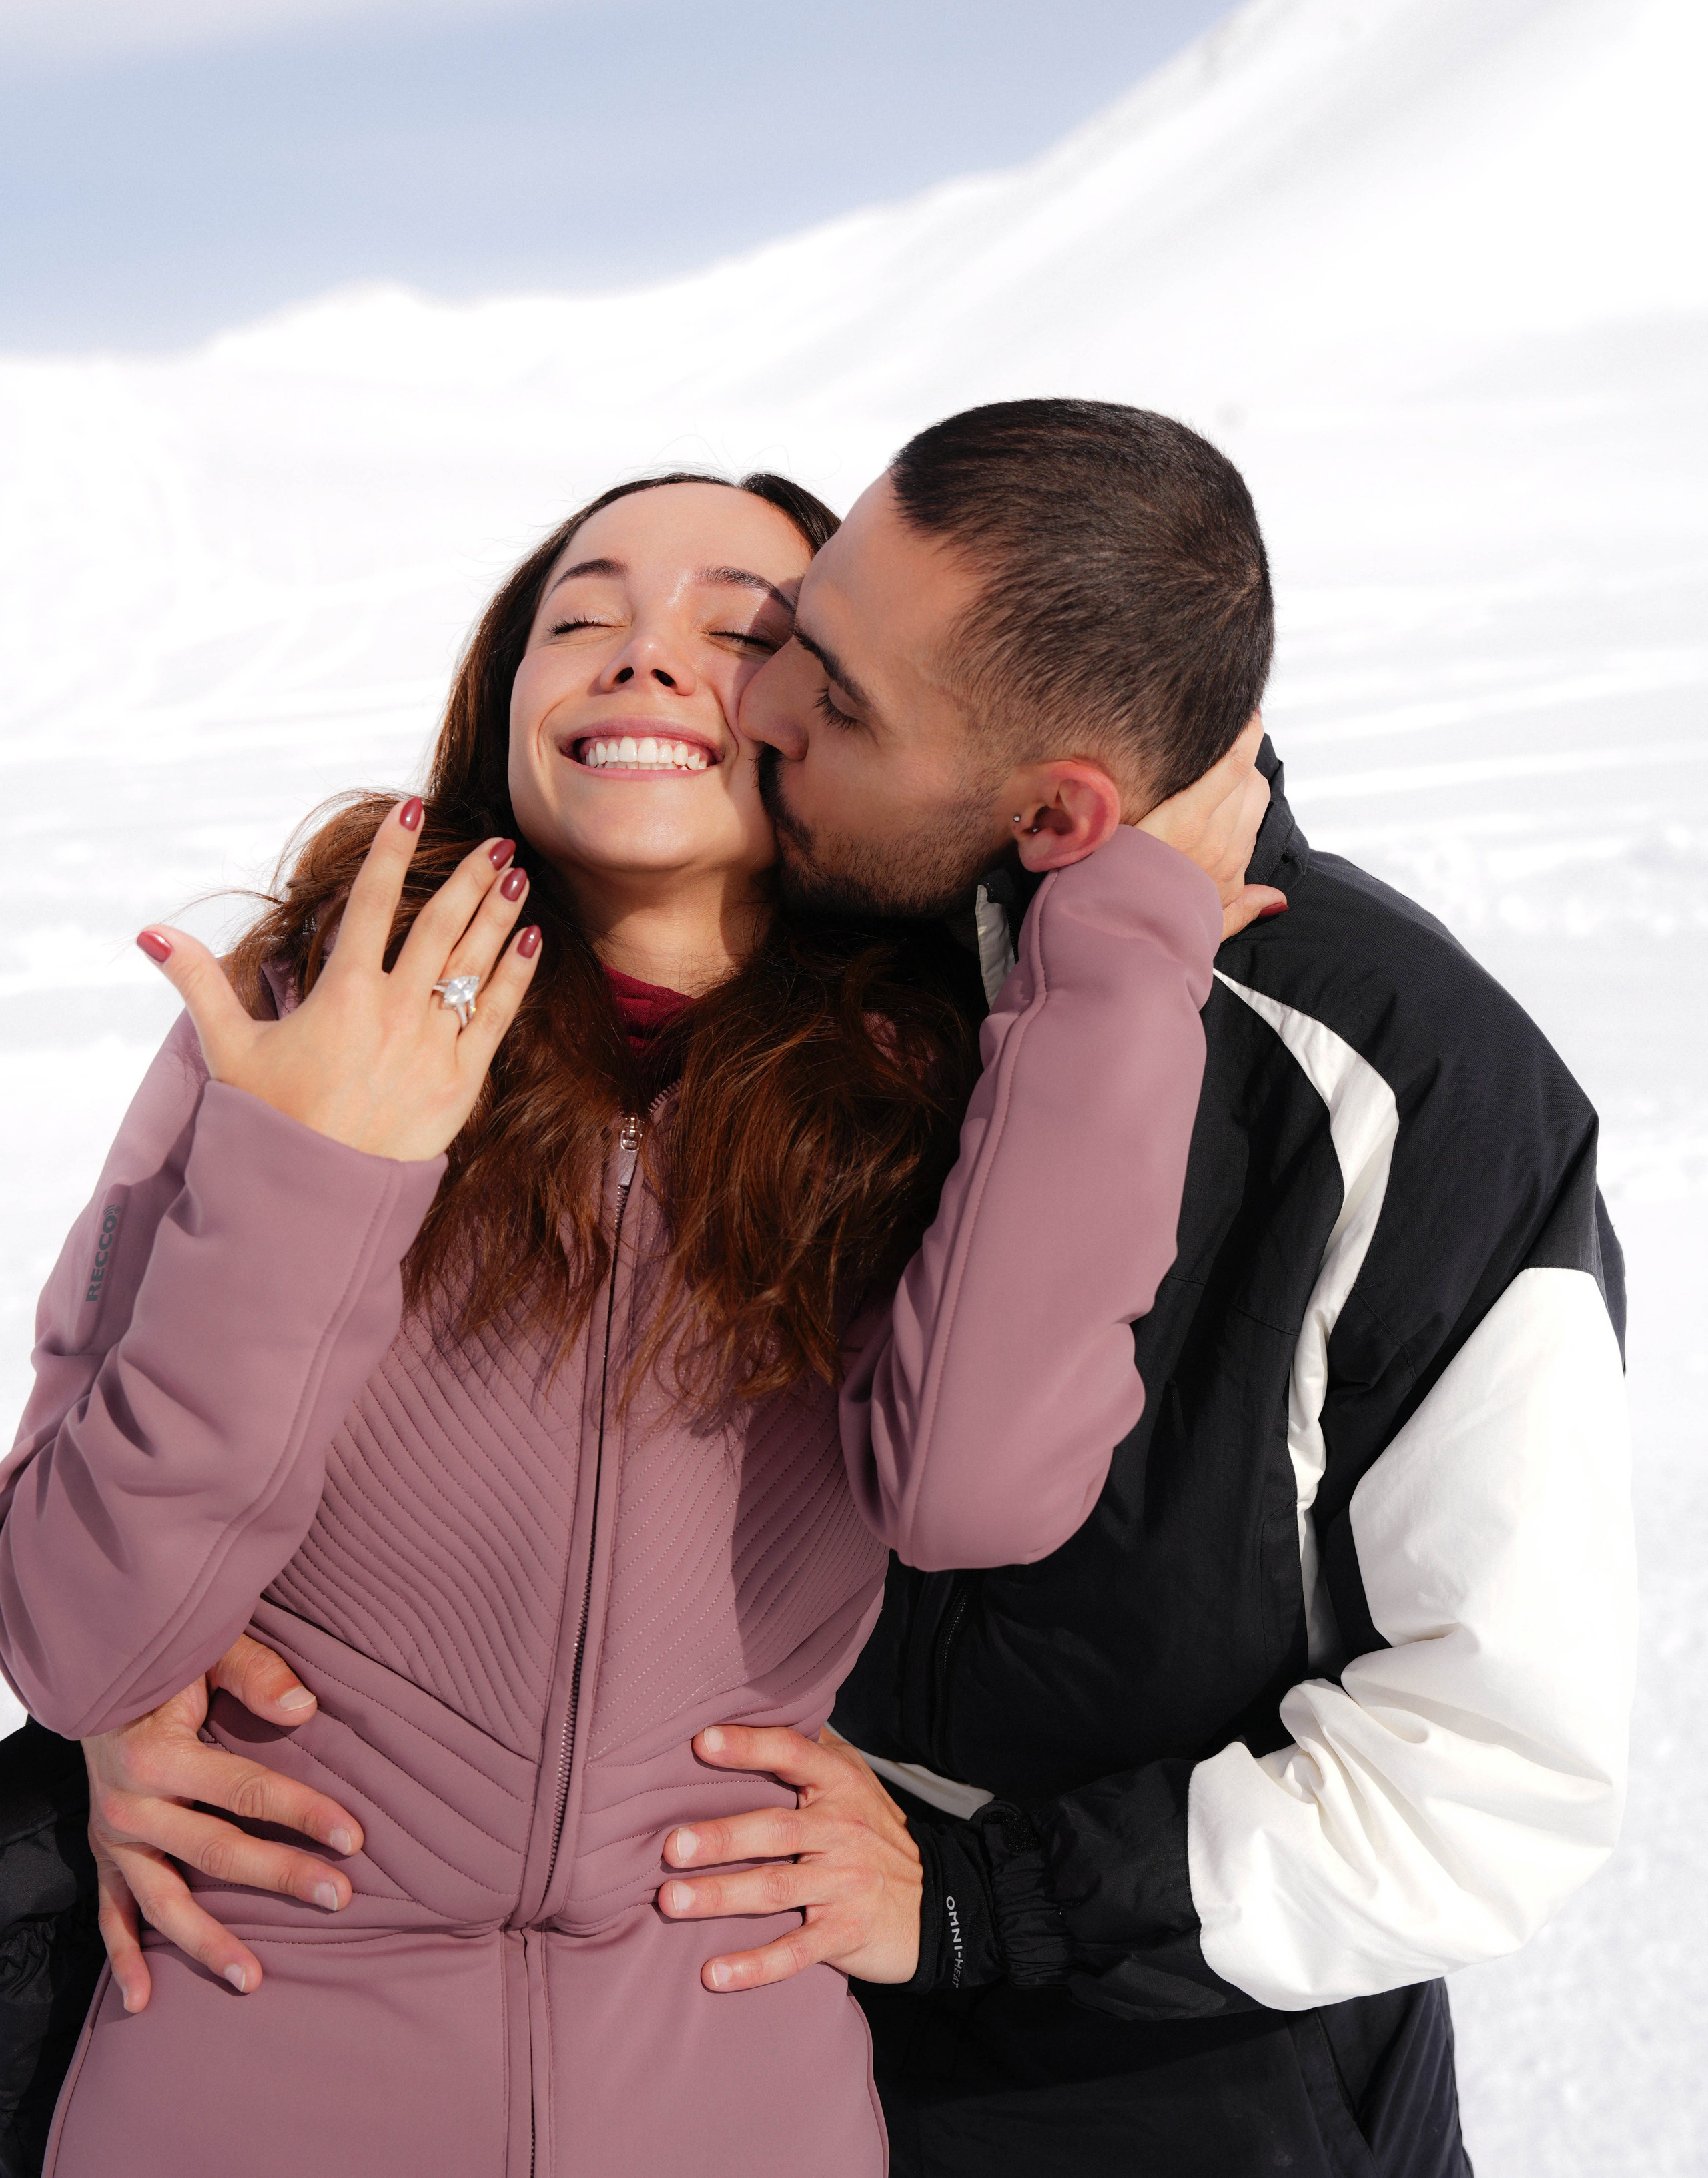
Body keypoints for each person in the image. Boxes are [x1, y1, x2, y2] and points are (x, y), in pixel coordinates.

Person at [62, 398, 1632, 2177]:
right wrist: (142, 1686)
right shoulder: (766, 941)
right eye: (793, 637)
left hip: (1161, 2079)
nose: (755, 706)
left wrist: (982, 1899)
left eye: (810, 673)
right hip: (704, 2016)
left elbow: (1499, 1767)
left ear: (1059, 804)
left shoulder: (1392, 1083)